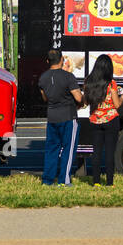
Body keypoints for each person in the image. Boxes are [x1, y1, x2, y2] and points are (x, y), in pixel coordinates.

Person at [83, 54, 123, 186]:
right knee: (110, 153)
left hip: (95, 120)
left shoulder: (88, 82)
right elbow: (116, 105)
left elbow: (86, 101)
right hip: (111, 121)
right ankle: (109, 182)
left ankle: (96, 182)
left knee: (97, 152)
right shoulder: (111, 83)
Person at [39, 50, 83, 185]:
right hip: (68, 116)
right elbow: (78, 98)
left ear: (47, 61)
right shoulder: (69, 77)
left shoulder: (43, 78)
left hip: (52, 117)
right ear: (62, 59)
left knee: (51, 150)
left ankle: (47, 180)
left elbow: (45, 98)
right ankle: (64, 180)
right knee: (68, 150)